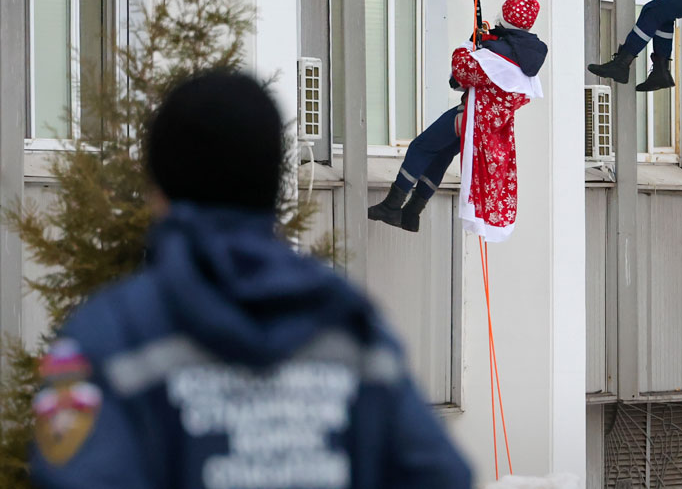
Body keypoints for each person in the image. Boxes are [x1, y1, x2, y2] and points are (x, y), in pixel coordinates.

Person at [30, 71, 472, 489]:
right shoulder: (352, 328)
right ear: (270, 182)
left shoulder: (108, 336)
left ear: (157, 188)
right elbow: (438, 474)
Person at [368, 0, 546, 241]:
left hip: (471, 117)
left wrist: (471, 42)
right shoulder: (526, 56)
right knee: (440, 155)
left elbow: (461, 69)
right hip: (492, 126)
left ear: (505, 16)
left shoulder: (498, 56)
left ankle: (392, 205)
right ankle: (412, 213)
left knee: (421, 147)